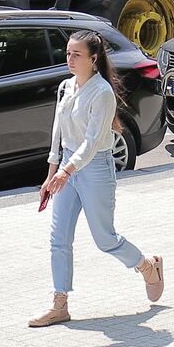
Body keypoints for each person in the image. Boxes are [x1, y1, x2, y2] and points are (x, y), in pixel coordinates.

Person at [30, 29, 164, 327]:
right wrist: (51, 173)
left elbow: (91, 143)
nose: (70, 59)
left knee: (105, 239)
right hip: (67, 167)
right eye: (67, 53)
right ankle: (59, 304)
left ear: (94, 59)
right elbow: (58, 133)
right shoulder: (66, 87)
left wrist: (65, 172)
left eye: (76, 55)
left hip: (95, 169)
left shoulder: (102, 92)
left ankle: (147, 266)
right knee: (58, 239)